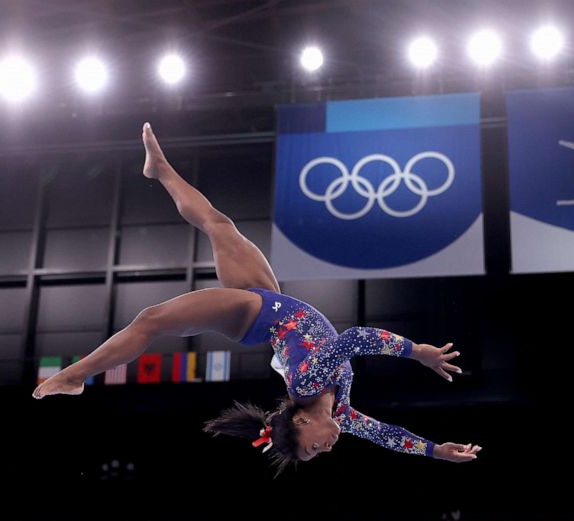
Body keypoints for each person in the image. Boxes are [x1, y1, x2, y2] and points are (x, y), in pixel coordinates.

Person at [34, 123, 482, 473]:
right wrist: (435, 452)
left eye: (310, 450)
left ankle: (75, 375)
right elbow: (384, 434)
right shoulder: (340, 410)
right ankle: (162, 171)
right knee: (219, 225)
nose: (324, 451)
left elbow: (355, 338)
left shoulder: (308, 385)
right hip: (271, 301)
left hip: (255, 315)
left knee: (151, 319)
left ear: (302, 424)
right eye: (318, 455)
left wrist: (416, 352)